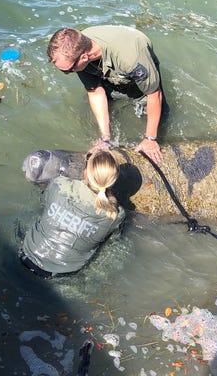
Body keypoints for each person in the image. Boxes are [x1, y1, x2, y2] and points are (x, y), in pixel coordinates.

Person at [47, 25, 168, 163]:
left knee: (158, 115)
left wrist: (150, 139)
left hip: (134, 56)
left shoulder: (131, 60)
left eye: (68, 71)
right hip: (105, 64)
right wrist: (105, 139)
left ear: (84, 57)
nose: (67, 74)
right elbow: (95, 92)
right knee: (102, 104)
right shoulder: (76, 50)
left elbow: (154, 94)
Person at [19, 148, 126, 278]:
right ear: (113, 180)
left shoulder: (58, 183)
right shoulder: (116, 214)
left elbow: (44, 204)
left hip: (26, 253)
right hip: (61, 273)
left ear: (85, 173)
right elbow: (113, 240)